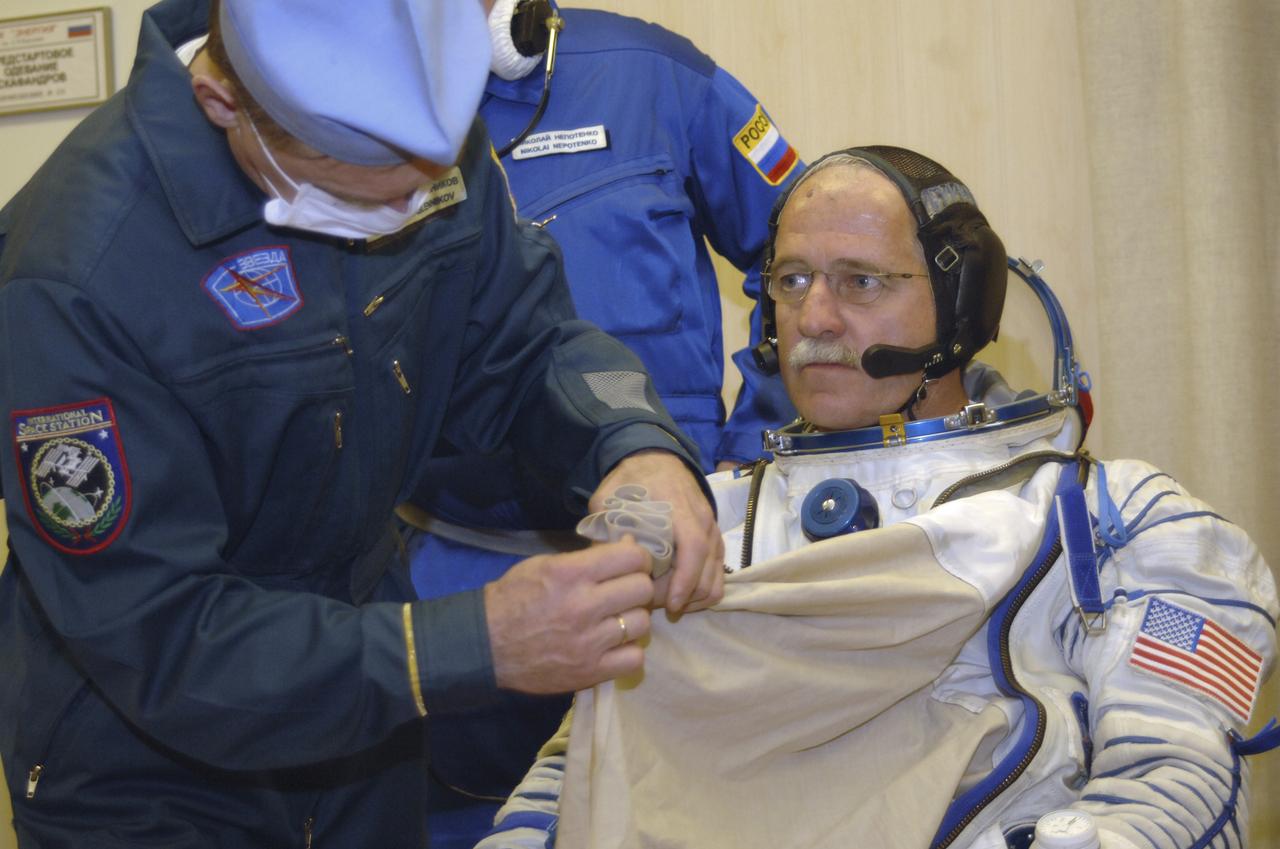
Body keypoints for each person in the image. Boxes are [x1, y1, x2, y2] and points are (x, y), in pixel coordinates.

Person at [0, 0, 727, 845]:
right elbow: (160, 636)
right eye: (366, 188)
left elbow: (526, 342)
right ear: (226, 107)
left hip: (368, 736)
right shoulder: (71, 273)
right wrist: (460, 645)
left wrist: (630, 445)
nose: (415, 204)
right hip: (152, 768)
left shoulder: (418, 127)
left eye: (431, 178)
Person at [473, 147, 1279, 849]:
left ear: (960, 305)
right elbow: (584, 771)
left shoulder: (1112, 521)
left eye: (861, 282)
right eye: (792, 281)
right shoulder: (706, 525)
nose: (814, 317)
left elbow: (1177, 786)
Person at [402, 1, 801, 837]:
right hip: (445, 580)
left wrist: (745, 465)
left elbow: (806, 255)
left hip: (668, 583)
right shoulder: (363, 112)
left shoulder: (654, 75)